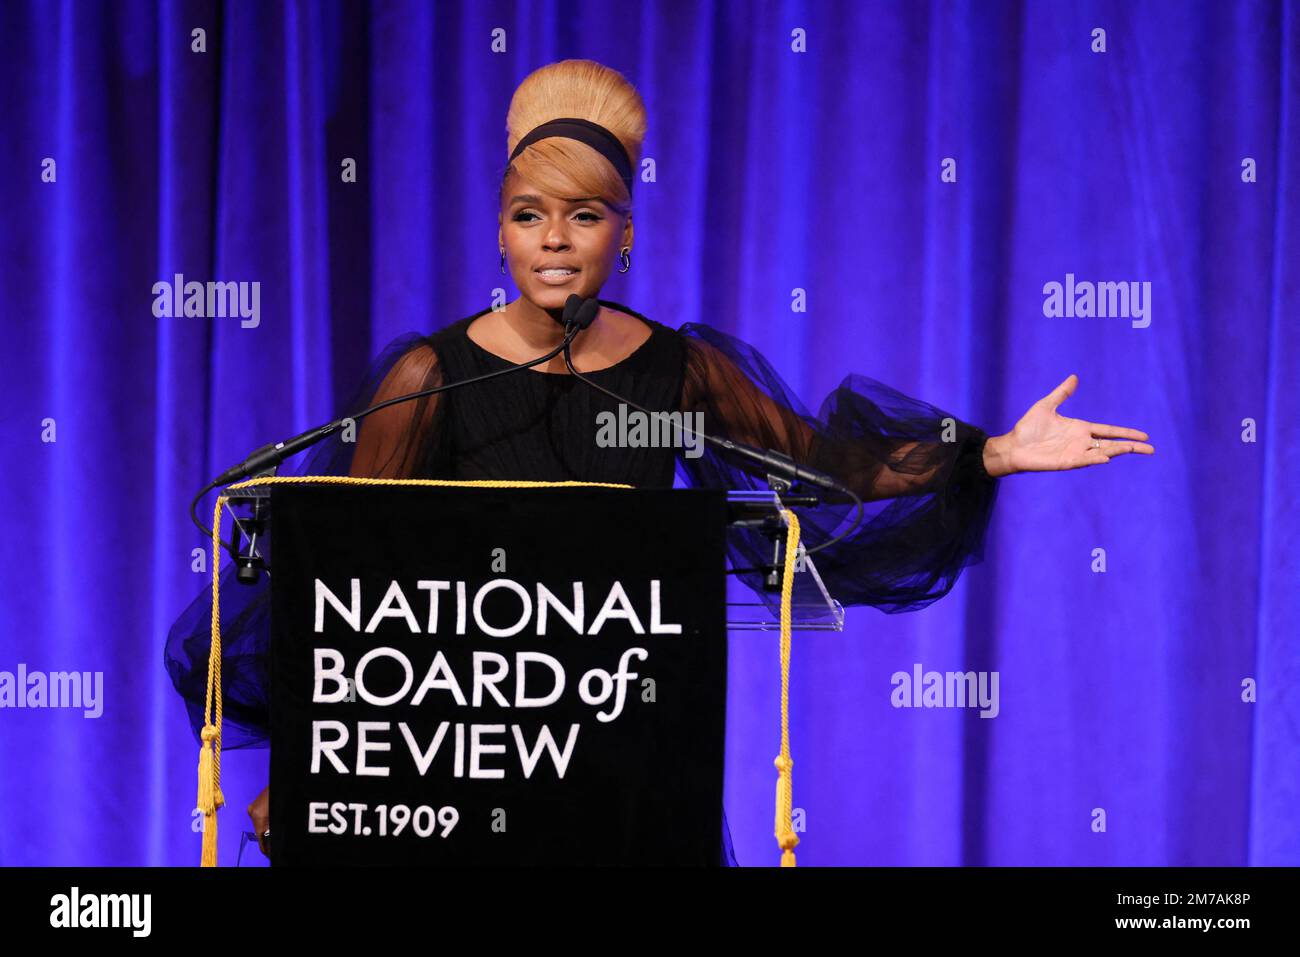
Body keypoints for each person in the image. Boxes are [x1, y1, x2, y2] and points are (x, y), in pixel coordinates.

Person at [165, 58, 1154, 867]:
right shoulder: (432, 376)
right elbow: (345, 585)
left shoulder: (678, 371)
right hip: (454, 759)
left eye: (584, 214)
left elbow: (826, 470)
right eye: (528, 214)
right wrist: (303, 770)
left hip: (620, 757)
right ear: (501, 231)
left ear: (624, 232)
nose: (554, 240)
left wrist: (991, 451)